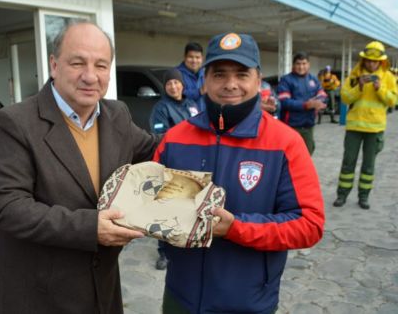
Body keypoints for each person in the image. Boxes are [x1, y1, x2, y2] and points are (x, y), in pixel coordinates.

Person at [0, 21, 160, 314]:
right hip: (41, 297)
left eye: (101, 65)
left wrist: (205, 130)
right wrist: (90, 228)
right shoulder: (17, 121)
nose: (90, 76)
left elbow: (155, 149)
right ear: (54, 65)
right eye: (77, 62)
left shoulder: (116, 114)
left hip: (102, 293)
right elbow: (6, 206)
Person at [154, 33, 325, 313]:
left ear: (258, 81)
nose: (230, 84)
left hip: (247, 303)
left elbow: (309, 224)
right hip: (179, 297)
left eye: (242, 74)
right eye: (219, 74)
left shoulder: (286, 142)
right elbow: (151, 205)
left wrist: (236, 228)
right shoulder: (174, 138)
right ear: (204, 80)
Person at [333, 41, 397, 210]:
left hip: (375, 129)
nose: (371, 64)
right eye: (368, 60)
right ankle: (342, 195)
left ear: (381, 61)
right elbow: (345, 98)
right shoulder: (355, 76)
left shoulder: (389, 77)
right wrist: (359, 87)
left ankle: (363, 197)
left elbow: (393, 101)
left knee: (369, 165)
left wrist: (379, 89)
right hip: (354, 128)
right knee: (348, 163)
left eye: (374, 61)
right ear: (363, 60)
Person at [148, 68, 200, 270]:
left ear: (182, 85)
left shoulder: (192, 105)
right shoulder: (161, 108)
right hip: (172, 163)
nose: (173, 86)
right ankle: (164, 252)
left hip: (194, 162)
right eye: (169, 83)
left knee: (189, 207)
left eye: (176, 82)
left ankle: (186, 243)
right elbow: (161, 136)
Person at [278, 52, 327, 155]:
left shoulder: (313, 79)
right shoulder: (286, 80)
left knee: (307, 154)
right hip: (291, 126)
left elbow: (322, 94)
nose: (301, 67)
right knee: (289, 156)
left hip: (308, 126)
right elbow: (285, 102)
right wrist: (306, 105)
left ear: (308, 64)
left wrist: (319, 102)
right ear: (293, 65)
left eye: (304, 63)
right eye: (298, 64)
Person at [176, 42, 206, 110]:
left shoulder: (206, 73)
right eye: (191, 57)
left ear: (202, 58)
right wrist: (199, 91)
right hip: (184, 117)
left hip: (204, 117)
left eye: (197, 57)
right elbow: (177, 95)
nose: (194, 61)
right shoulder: (176, 74)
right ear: (184, 57)